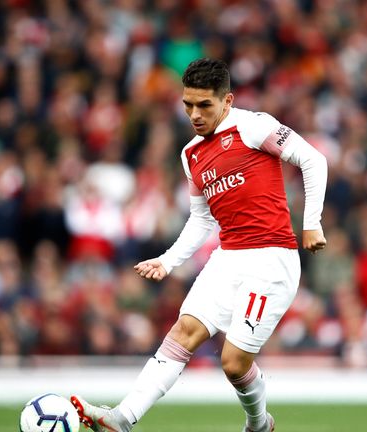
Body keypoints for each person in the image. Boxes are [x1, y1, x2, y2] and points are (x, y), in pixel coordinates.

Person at [71, 58, 327, 432]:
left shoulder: (254, 126)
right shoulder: (191, 154)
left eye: (204, 105)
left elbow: (312, 159)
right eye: (187, 104)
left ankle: (259, 424)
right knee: (183, 332)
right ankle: (122, 418)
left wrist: (312, 223)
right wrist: (168, 260)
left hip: (271, 260)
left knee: (233, 363)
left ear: (227, 101)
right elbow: (202, 217)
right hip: (228, 257)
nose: (194, 114)